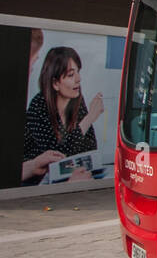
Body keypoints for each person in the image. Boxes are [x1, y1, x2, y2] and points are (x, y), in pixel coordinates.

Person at [22, 46, 103, 185]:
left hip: (71, 180)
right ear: (55, 83)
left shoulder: (77, 100)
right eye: (71, 75)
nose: (78, 79)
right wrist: (88, 119)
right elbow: (57, 158)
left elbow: (90, 150)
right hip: (37, 186)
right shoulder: (38, 106)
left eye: (78, 72)